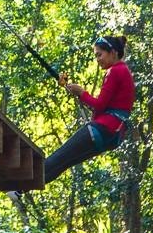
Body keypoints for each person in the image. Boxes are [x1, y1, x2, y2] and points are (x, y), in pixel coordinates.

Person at [44, 35, 136, 184]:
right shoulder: (124, 71)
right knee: (64, 163)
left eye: (100, 55)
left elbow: (99, 105)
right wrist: (79, 93)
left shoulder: (115, 71)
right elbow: (104, 105)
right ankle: (20, 190)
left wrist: (81, 92)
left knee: (59, 158)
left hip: (104, 128)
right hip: (113, 135)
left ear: (112, 52)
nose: (98, 59)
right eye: (96, 56)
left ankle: (20, 183)